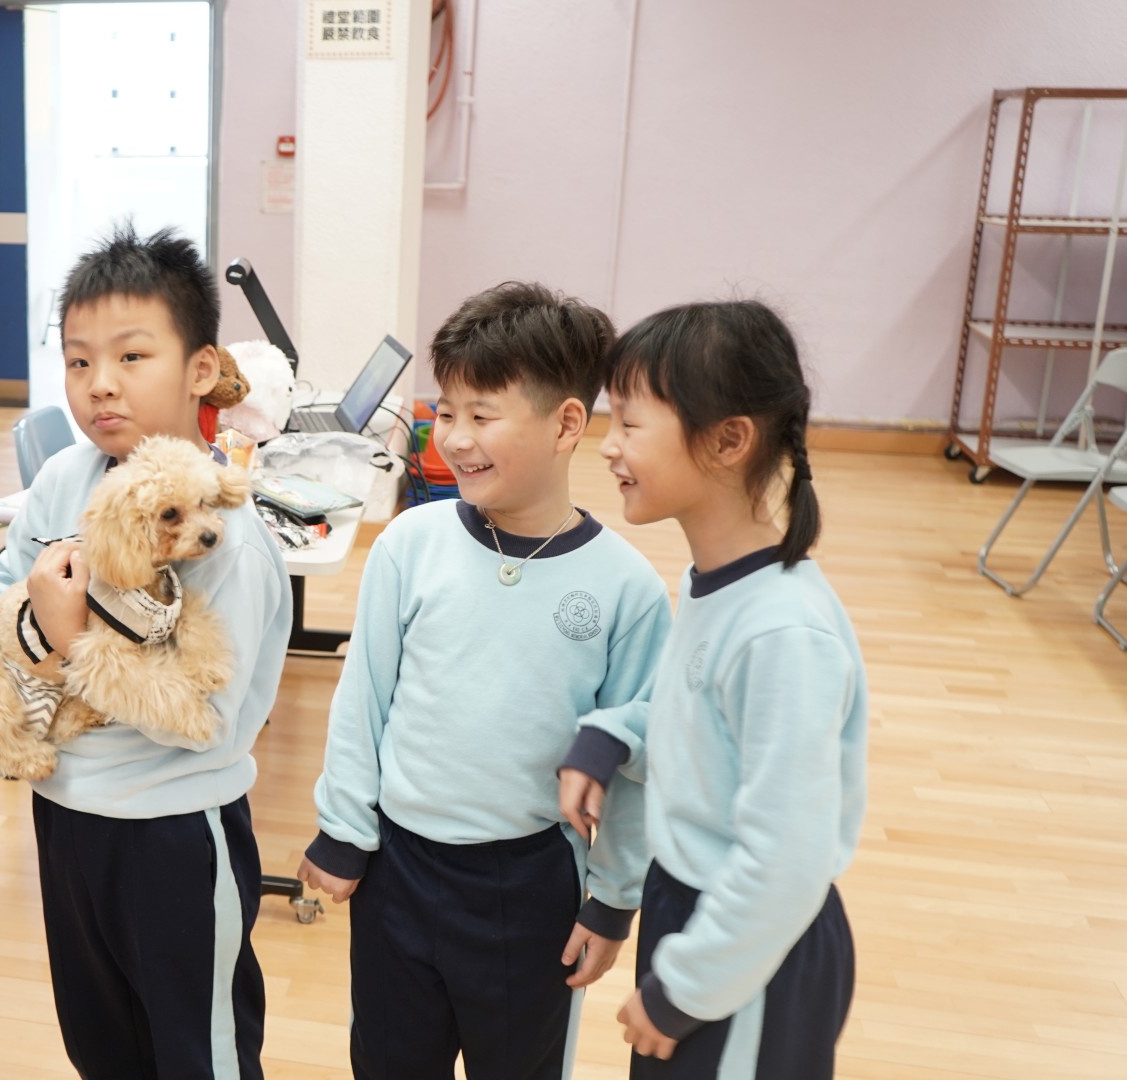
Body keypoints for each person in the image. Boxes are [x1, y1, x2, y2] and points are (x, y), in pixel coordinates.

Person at [299, 282, 669, 1078]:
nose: (455, 439)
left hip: (529, 885)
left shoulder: (626, 588)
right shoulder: (410, 544)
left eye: (482, 415)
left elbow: (639, 761)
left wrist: (613, 897)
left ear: (565, 424)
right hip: (397, 871)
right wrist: (343, 827)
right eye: (446, 412)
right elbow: (362, 699)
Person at [0, 223, 292, 1079]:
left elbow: (204, 722)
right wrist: (30, 635)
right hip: (64, 812)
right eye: (78, 361)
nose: (99, 384)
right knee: (101, 1043)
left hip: (173, 830)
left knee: (197, 1054)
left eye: (130, 356)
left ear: (199, 368)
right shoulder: (63, 480)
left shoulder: (222, 536)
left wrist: (67, 639)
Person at [566, 299, 866, 1077]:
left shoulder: (781, 632)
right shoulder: (716, 584)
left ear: (728, 440)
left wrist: (687, 987)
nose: (608, 445)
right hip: (699, 912)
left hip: (749, 943)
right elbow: (696, 721)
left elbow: (786, 856)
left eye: (630, 423)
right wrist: (612, 737)